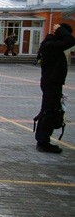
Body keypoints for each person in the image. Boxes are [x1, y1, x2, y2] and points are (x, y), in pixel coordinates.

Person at [34, 22, 75, 153]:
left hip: (52, 82)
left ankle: (43, 139)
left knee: (49, 110)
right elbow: (70, 41)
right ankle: (43, 141)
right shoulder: (51, 45)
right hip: (51, 83)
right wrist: (60, 30)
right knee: (49, 111)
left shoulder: (51, 44)